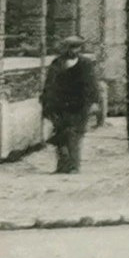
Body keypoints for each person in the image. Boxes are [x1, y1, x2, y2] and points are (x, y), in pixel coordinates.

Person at [40, 38, 100, 175]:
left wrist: (94, 103)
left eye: (76, 47)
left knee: (74, 135)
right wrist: (46, 103)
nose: (72, 50)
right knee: (60, 135)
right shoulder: (57, 63)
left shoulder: (85, 64)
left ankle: (73, 166)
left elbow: (92, 85)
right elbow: (49, 85)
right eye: (70, 47)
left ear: (80, 49)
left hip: (79, 106)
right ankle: (62, 165)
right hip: (60, 105)